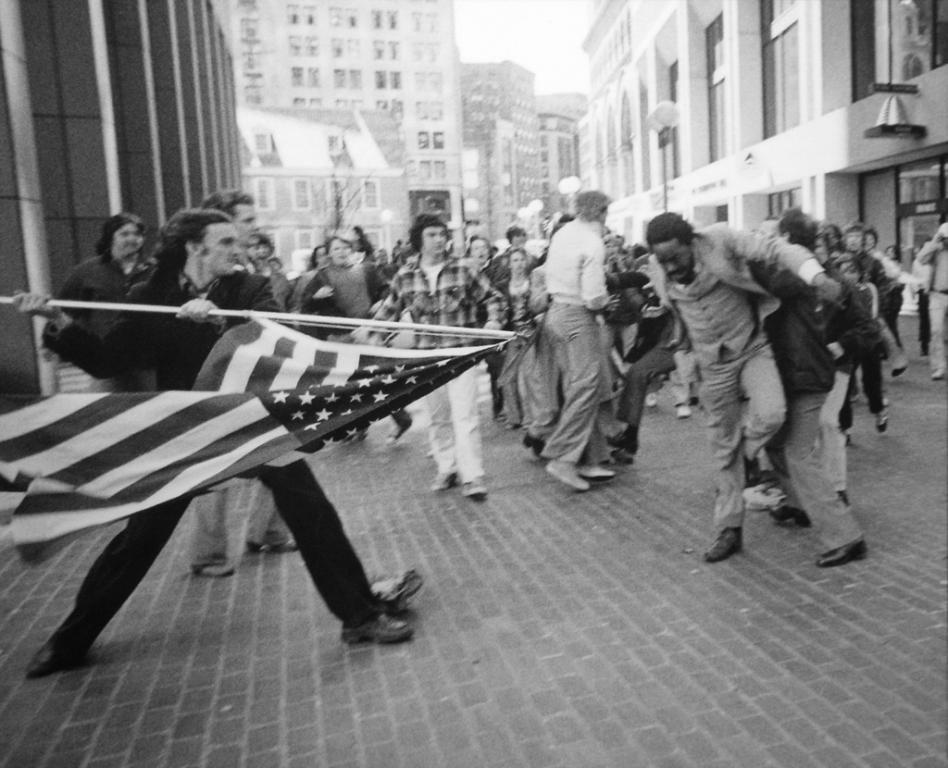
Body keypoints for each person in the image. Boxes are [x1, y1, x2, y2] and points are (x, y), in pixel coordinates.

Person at [12, 209, 422, 678]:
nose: (237, 249)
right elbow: (109, 359)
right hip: (191, 430)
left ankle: (360, 617)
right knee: (138, 541)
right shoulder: (153, 295)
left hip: (252, 423)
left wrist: (215, 324)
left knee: (313, 512)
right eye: (225, 242)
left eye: (236, 240)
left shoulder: (245, 290)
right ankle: (70, 641)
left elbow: (276, 337)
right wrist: (56, 319)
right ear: (194, 247)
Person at [646, 212, 840, 563]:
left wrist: (817, 275)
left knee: (772, 414)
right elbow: (672, 307)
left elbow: (776, 248)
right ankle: (729, 529)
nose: (671, 267)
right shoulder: (658, 268)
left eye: (676, 257)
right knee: (722, 447)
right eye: (663, 260)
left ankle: (747, 454)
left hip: (751, 346)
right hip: (711, 364)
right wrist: (678, 333)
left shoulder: (719, 239)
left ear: (692, 242)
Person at [751, 208, 870, 567]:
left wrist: (749, 249)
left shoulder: (795, 275)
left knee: (799, 455)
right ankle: (801, 505)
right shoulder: (800, 273)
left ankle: (846, 536)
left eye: (772, 236)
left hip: (807, 377)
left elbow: (766, 281)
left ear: (786, 240)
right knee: (775, 445)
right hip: (799, 376)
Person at [191, 191, 294, 574]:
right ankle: (209, 553)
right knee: (214, 467)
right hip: (212, 384)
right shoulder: (193, 275)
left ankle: (268, 531)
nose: (254, 227)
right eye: (246, 220)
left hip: (257, 378)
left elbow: (272, 319)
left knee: (281, 453)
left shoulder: (253, 272)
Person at [371, 214, 506, 500]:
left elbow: (493, 297)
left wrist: (493, 320)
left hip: (460, 354)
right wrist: (370, 332)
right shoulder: (405, 275)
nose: (439, 239)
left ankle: (473, 475)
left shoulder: (463, 269)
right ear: (419, 239)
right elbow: (388, 311)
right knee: (438, 417)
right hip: (428, 359)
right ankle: (447, 467)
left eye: (442, 234)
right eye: (432, 234)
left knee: (465, 415)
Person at [299, 236, 412, 443]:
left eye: (344, 247)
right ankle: (359, 425)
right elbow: (304, 305)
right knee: (350, 384)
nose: (341, 252)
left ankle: (401, 418)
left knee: (379, 377)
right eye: (336, 249)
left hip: (368, 331)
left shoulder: (366, 269)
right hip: (341, 335)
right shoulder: (321, 276)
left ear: (350, 250)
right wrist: (316, 297)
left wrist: (380, 302)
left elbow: (386, 290)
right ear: (329, 253)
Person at [539, 191, 617, 491]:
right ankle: (563, 458)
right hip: (576, 316)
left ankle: (590, 457)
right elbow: (594, 296)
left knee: (581, 385)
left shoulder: (563, 233)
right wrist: (606, 302)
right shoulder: (593, 243)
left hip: (555, 314)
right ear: (602, 212)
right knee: (586, 386)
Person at [54, 212, 154, 392]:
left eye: (137, 234)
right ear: (111, 237)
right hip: (105, 355)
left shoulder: (156, 270)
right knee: (106, 410)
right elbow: (65, 309)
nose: (132, 239)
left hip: (146, 359)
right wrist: (51, 343)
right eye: (124, 234)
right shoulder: (87, 271)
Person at [915, 222, 948, 380]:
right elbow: (920, 259)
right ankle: (938, 367)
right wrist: (935, 242)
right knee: (936, 331)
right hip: (937, 295)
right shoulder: (935, 248)